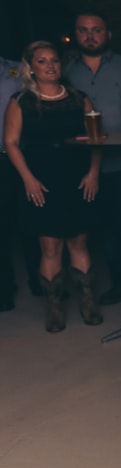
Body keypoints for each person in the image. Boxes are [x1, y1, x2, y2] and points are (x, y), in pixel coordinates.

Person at [3, 41, 103, 331]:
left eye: (54, 61)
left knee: (79, 242)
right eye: (42, 61)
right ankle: (54, 306)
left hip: (78, 180)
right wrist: (28, 179)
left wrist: (94, 173)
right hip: (42, 182)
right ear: (31, 68)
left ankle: (87, 301)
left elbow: (96, 137)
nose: (50, 66)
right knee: (50, 247)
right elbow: (10, 142)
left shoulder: (78, 98)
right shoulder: (21, 101)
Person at [63, 10, 121, 312]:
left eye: (96, 30)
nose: (90, 36)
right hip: (86, 166)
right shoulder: (66, 72)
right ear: (75, 35)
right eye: (83, 30)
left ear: (108, 35)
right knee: (107, 230)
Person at [0, 55, 23, 310]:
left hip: (17, 153)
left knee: (27, 218)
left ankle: (43, 285)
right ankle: (4, 291)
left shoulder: (16, 70)